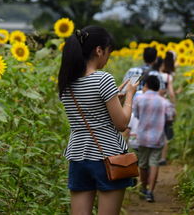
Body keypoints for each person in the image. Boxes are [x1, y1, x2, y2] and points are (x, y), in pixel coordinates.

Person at [58, 25, 138, 215]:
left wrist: (113, 98)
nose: (107, 58)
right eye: (108, 52)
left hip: (78, 156)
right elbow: (122, 124)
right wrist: (129, 96)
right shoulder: (103, 79)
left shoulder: (66, 82)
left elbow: (90, 111)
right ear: (99, 50)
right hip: (108, 157)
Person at [133, 75, 173, 202]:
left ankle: (143, 188)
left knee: (143, 164)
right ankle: (151, 192)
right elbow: (169, 118)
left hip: (143, 137)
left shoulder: (139, 99)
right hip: (158, 137)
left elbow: (137, 115)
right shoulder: (164, 102)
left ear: (146, 85)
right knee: (154, 163)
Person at [158, 51, 177, 165]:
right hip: (164, 105)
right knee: (164, 131)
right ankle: (163, 158)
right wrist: (173, 105)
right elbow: (171, 93)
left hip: (153, 104)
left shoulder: (155, 75)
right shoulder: (168, 76)